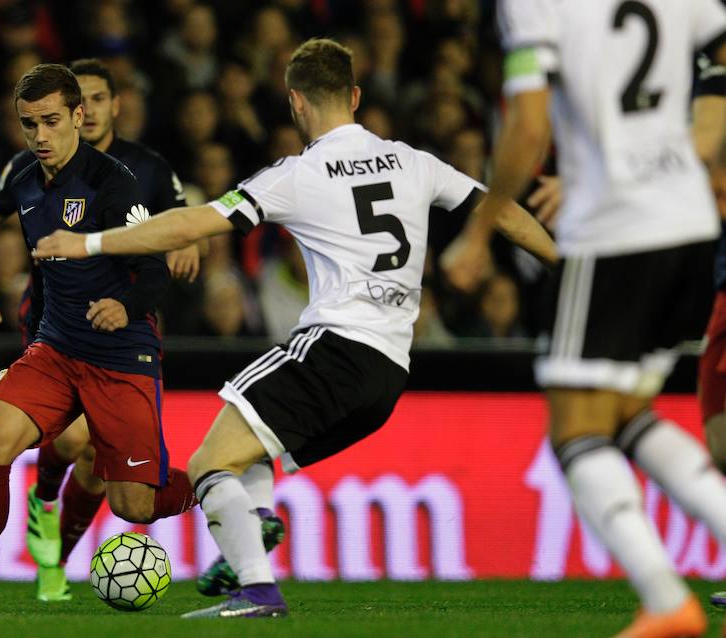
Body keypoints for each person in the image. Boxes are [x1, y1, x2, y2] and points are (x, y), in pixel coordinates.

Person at [33, 38, 557, 618]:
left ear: (296, 104)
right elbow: (503, 212)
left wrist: (90, 242)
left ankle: (257, 589)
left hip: (334, 346)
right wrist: (565, 263)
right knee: (252, 451)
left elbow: (191, 225)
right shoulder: (417, 162)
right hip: (390, 373)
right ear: (354, 96)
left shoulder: (298, 174)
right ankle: (251, 532)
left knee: (208, 463)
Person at [444, 2, 726, 636]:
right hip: (689, 224)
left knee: (574, 431)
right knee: (626, 417)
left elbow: (527, 127)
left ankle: (664, 600)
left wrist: (481, 230)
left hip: (614, 228)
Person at [0, 64, 197, 614]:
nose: (40, 136)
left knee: (134, 506)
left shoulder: (115, 182)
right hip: (56, 347)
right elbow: (16, 245)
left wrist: (125, 305)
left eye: (51, 122)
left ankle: (215, 482)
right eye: (29, 125)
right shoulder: (24, 177)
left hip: (121, 355)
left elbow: (156, 273)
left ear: (78, 117)